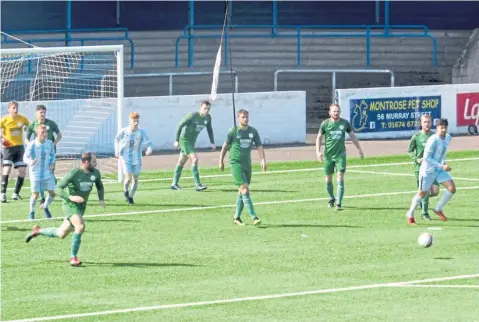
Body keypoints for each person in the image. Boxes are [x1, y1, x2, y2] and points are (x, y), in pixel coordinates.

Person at [25, 152, 105, 267]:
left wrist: (101, 199)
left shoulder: (95, 173)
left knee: (61, 233)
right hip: (70, 205)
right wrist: (70, 197)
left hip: (81, 207)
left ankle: (38, 231)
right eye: (94, 162)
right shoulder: (75, 173)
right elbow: (57, 188)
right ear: (86, 162)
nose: (96, 164)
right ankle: (73, 258)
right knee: (80, 226)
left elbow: (100, 186)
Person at [219, 109, 266, 226]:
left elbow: (259, 146)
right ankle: (254, 217)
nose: (245, 119)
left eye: (246, 117)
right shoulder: (233, 131)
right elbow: (225, 147)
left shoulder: (253, 131)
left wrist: (263, 159)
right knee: (245, 189)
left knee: (242, 191)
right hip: (236, 163)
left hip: (247, 164)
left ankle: (237, 217)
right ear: (238, 118)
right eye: (243, 117)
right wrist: (221, 161)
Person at [405, 118, 455, 225]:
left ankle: (438, 209)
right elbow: (426, 158)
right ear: (437, 128)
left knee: (451, 188)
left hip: (439, 170)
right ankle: (410, 214)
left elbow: (442, 152)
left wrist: (442, 164)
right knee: (422, 193)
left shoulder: (448, 138)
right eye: (441, 128)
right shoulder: (433, 140)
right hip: (427, 170)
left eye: (445, 128)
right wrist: (442, 165)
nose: (443, 130)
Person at [315, 103, 364, 210]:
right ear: (330, 112)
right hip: (328, 156)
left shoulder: (344, 123)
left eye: (338, 111)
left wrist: (359, 149)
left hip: (340, 155)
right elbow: (319, 137)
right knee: (328, 180)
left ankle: (339, 203)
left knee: (340, 176)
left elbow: (352, 136)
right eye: (334, 111)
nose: (336, 113)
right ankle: (332, 198)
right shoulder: (325, 124)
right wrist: (318, 152)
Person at [171, 100, 215, 191]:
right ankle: (198, 185)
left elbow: (209, 129)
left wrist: (212, 142)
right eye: (205, 108)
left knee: (181, 162)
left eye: (208, 109)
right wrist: (176, 140)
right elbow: (180, 125)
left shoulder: (208, 118)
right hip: (184, 140)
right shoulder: (193, 116)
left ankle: (174, 184)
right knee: (194, 159)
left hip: (191, 142)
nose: (206, 110)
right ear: (200, 107)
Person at [26, 104, 62, 204]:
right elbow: (26, 138)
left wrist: (54, 144)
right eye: (40, 112)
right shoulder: (33, 124)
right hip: (37, 152)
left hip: (49, 152)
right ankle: (42, 197)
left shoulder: (51, 123)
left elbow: (59, 135)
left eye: (44, 112)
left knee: (50, 171)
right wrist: (31, 146)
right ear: (36, 113)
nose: (42, 114)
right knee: (39, 173)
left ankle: (53, 191)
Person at [115, 112, 152, 205]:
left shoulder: (141, 132)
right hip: (125, 157)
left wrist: (149, 149)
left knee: (135, 178)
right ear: (130, 121)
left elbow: (149, 143)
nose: (136, 122)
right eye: (134, 121)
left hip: (137, 158)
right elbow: (116, 139)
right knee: (128, 178)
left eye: (137, 120)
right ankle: (125, 190)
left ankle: (131, 196)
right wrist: (117, 150)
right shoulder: (124, 131)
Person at [407, 114, 439, 221]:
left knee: (435, 191)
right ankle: (424, 213)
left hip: (432, 168)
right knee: (425, 190)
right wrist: (417, 159)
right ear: (421, 123)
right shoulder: (416, 137)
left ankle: (420, 199)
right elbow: (410, 151)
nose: (427, 124)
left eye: (429, 122)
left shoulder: (435, 136)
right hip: (420, 169)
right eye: (425, 122)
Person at [23, 125, 56, 220]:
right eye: (43, 132)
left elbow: (52, 155)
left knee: (52, 193)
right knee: (35, 195)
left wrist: (52, 163)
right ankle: (31, 212)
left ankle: (45, 206)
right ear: (37, 134)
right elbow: (24, 158)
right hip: (35, 173)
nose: (45, 134)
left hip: (47, 173)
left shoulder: (49, 143)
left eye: (46, 132)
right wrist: (31, 162)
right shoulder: (32, 144)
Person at [0, 101, 30, 203]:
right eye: (13, 108)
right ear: (9, 109)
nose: (15, 109)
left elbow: (29, 126)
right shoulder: (4, 120)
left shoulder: (22, 118)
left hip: (19, 147)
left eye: (16, 108)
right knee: (7, 169)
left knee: (22, 171)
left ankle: (15, 193)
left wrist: (27, 128)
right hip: (8, 148)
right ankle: (3, 193)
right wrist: (1, 139)